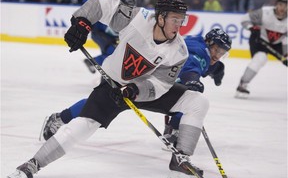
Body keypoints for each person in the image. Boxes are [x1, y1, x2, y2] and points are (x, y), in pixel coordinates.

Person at [8, 0, 209, 178]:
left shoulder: (179, 50)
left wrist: (135, 90)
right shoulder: (138, 19)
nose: (179, 25)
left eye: (182, 20)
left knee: (198, 102)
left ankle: (180, 163)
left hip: (140, 91)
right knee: (82, 126)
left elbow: (161, 84)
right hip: (112, 86)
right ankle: (33, 164)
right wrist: (82, 23)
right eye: (175, 19)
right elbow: (101, 4)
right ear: (161, 17)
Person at [41, 28, 231, 148]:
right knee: (101, 104)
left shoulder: (204, 51)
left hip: (156, 85)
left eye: (222, 53)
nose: (217, 54)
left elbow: (205, 64)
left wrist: (216, 69)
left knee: (187, 99)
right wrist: (193, 79)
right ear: (208, 43)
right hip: (138, 82)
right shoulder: (198, 51)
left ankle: (172, 128)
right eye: (216, 49)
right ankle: (58, 119)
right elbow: (192, 65)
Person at [236, 0, 287, 98]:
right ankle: (243, 84)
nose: (283, 7)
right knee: (260, 58)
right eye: (281, 4)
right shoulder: (264, 12)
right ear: (276, 4)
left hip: (278, 44)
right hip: (258, 40)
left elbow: (286, 39)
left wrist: (286, 54)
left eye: (286, 5)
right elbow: (244, 19)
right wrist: (251, 28)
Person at [83, 0, 136, 73]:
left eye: (131, 8)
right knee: (113, 54)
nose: (130, 10)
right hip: (100, 34)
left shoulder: (127, 15)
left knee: (114, 55)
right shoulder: (110, 10)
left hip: (108, 36)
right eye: (128, 7)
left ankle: (94, 63)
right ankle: (93, 62)